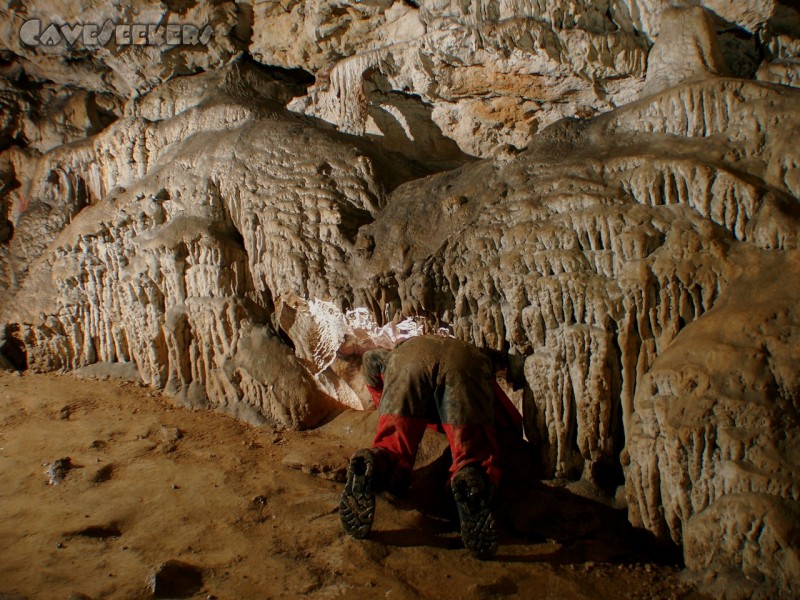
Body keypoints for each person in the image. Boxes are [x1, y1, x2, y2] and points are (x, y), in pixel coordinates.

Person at [339, 335, 522, 559]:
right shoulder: (474, 352)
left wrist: (384, 407)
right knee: (472, 453)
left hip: (406, 365)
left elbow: (370, 359)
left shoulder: (396, 351)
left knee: (393, 448)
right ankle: (469, 477)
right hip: (463, 365)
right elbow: (497, 397)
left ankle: (375, 462)